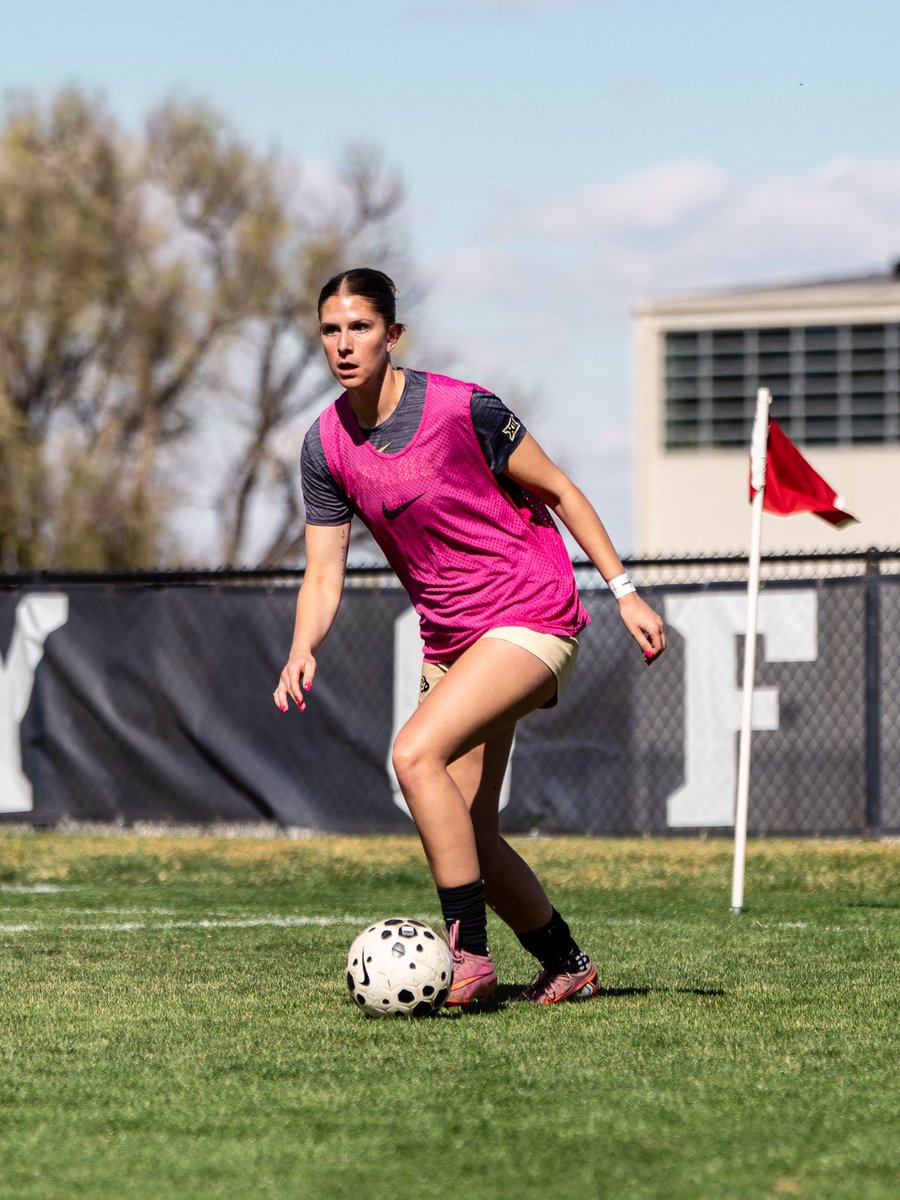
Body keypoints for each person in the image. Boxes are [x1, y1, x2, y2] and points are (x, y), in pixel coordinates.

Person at [274, 267, 666, 1007]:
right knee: (468, 836)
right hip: (450, 643)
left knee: (412, 753)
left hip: (531, 611)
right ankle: (566, 964)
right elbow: (323, 577)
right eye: (331, 329)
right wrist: (303, 648)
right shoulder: (325, 445)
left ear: (393, 336)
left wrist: (625, 591)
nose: (344, 343)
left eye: (360, 328)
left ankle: (470, 960)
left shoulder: (463, 409)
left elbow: (560, 490)